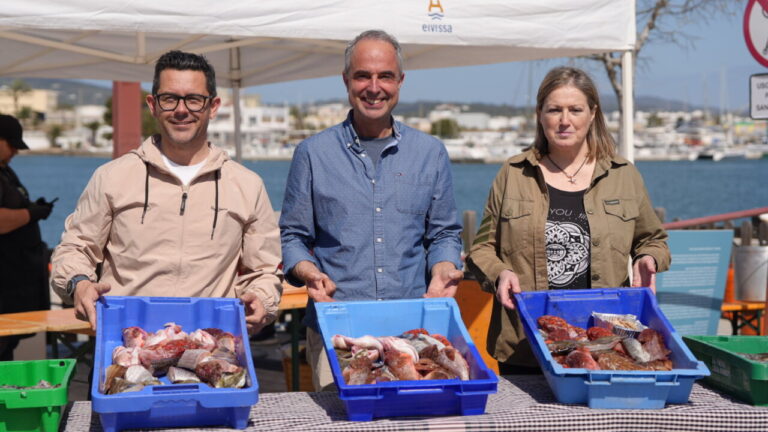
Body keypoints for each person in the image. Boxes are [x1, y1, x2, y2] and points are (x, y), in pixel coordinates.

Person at [280, 29, 464, 391]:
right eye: (363, 75)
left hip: (411, 329)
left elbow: (443, 233)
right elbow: (293, 237)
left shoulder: (430, 153)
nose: (374, 87)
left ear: (401, 82)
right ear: (347, 80)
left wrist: (444, 265)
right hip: (337, 329)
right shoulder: (312, 154)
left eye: (385, 76)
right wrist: (307, 272)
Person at [51, 51, 283, 333]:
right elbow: (75, 248)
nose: (181, 110)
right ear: (153, 104)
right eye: (170, 98)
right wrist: (79, 283)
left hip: (211, 347)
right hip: (126, 345)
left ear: (213, 106)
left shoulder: (247, 184)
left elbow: (265, 270)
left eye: (194, 99)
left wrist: (262, 299)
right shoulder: (111, 177)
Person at [466, 66, 671, 374]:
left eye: (575, 110)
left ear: (592, 114)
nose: (565, 120)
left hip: (606, 344)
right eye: (554, 110)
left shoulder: (623, 174)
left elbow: (653, 239)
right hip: (528, 343)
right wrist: (499, 273)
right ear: (539, 114)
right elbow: (482, 247)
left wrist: (648, 257)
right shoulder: (513, 173)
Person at [0, 114, 55, 360]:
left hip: (15, 279)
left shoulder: (6, 172)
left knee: (8, 346)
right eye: (11, 144)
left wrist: (34, 208)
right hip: (4, 280)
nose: (15, 151)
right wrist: (32, 214)